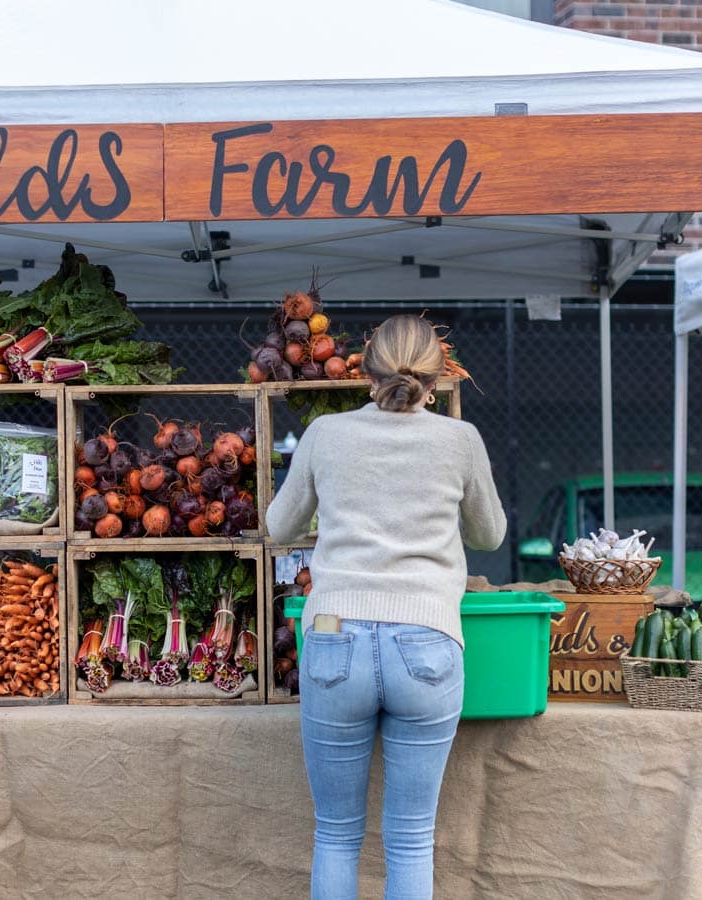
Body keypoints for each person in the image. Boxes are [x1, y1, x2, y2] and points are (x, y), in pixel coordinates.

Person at [265, 314, 506, 900]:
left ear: (365, 369)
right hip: (427, 639)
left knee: (337, 835)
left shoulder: (326, 433)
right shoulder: (461, 440)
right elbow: (491, 535)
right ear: (438, 373)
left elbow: (277, 527)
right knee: (410, 840)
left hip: (333, 633)